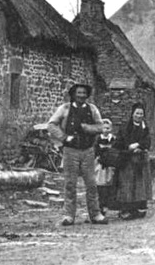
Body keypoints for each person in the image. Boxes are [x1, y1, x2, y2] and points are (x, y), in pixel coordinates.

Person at [46, 83, 108, 226]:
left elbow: (100, 127)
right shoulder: (65, 108)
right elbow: (51, 125)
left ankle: (95, 214)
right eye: (78, 93)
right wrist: (63, 137)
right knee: (70, 183)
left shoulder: (92, 109)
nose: (81, 95)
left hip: (88, 150)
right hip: (70, 151)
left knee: (91, 184)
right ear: (73, 94)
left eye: (84, 93)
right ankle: (68, 215)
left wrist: (88, 128)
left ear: (87, 95)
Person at [114, 103, 153, 220]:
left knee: (139, 184)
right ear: (132, 114)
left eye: (141, 114)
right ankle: (125, 209)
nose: (139, 116)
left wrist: (139, 146)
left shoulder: (145, 127)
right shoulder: (125, 127)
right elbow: (119, 143)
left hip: (140, 159)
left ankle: (137, 208)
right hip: (127, 160)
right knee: (127, 184)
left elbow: (148, 141)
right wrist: (129, 147)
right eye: (137, 113)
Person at [94, 119, 118, 216]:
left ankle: (109, 204)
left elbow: (115, 150)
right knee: (100, 184)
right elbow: (95, 150)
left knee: (110, 183)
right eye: (104, 128)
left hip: (110, 164)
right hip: (100, 164)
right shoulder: (97, 139)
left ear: (111, 129)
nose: (106, 130)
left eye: (108, 128)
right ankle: (101, 205)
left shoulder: (113, 139)